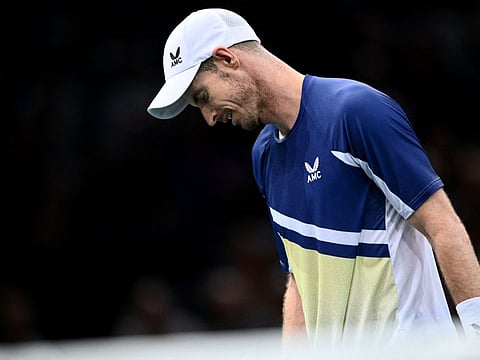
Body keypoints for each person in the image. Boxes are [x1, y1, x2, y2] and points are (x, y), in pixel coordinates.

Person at [146, 8, 480, 350]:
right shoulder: (264, 155)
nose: (210, 118)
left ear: (227, 59)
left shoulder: (355, 112)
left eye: (202, 98)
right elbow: (300, 284)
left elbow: (442, 224)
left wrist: (476, 330)